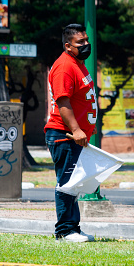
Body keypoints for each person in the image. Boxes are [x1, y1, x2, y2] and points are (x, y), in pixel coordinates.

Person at [44, 24, 98, 243]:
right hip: (64, 134)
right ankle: (65, 231)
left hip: (75, 135)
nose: (86, 45)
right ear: (68, 46)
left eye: (86, 40)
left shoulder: (77, 64)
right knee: (67, 182)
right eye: (80, 42)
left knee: (74, 183)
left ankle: (73, 228)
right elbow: (63, 101)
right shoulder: (65, 66)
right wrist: (76, 130)